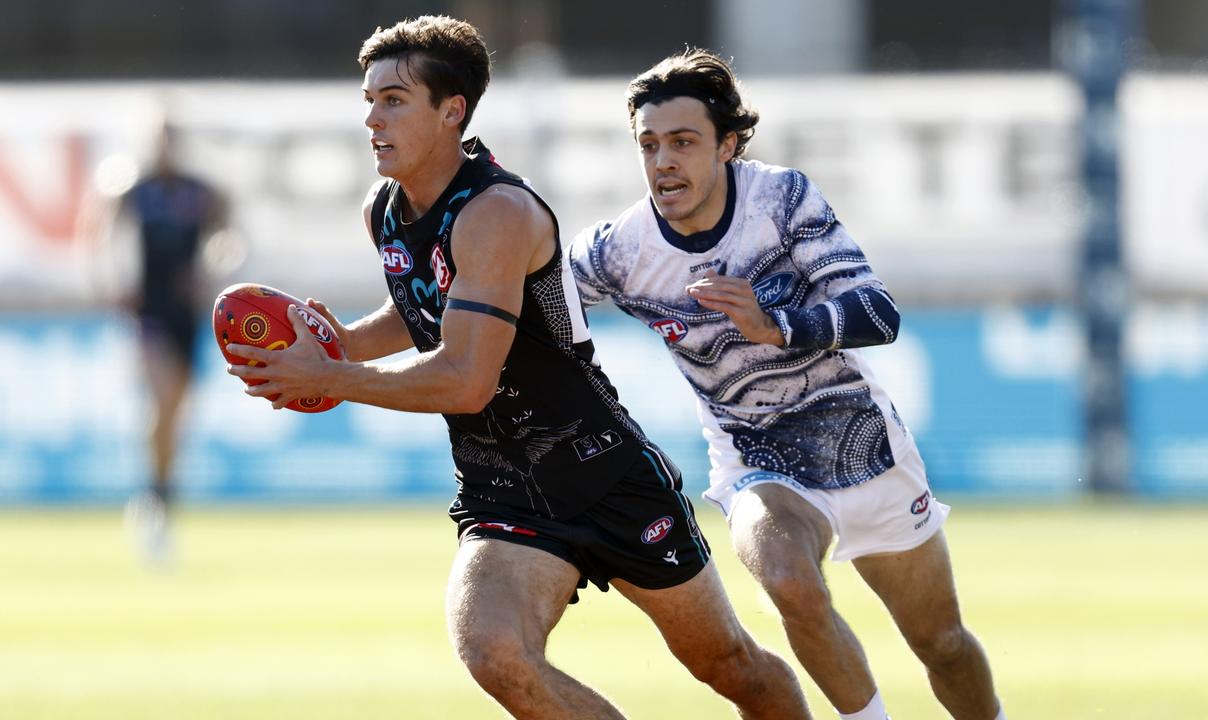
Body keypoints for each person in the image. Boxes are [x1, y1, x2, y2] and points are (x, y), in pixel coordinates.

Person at [226, 16, 811, 720]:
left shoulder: (498, 211)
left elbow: (465, 377)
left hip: (600, 471)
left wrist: (329, 380)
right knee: (494, 652)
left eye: (393, 99)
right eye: (369, 99)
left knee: (728, 666)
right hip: (502, 489)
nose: (371, 118)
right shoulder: (384, 211)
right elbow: (425, 308)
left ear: (452, 112)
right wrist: (338, 346)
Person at [569, 49, 1008, 720]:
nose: (663, 162)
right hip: (757, 461)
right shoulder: (619, 250)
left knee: (942, 644)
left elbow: (877, 313)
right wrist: (378, 343)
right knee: (787, 582)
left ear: (729, 144)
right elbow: (511, 300)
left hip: (860, 446)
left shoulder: (781, 199)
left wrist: (776, 325)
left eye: (683, 142)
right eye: (649, 145)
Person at [88, 115, 233, 565]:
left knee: (177, 412)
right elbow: (101, 236)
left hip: (187, 313)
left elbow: (229, 237)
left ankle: (160, 494)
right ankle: (154, 498)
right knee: (164, 398)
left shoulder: (200, 191)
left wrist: (208, 272)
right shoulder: (133, 188)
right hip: (148, 311)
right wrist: (110, 284)